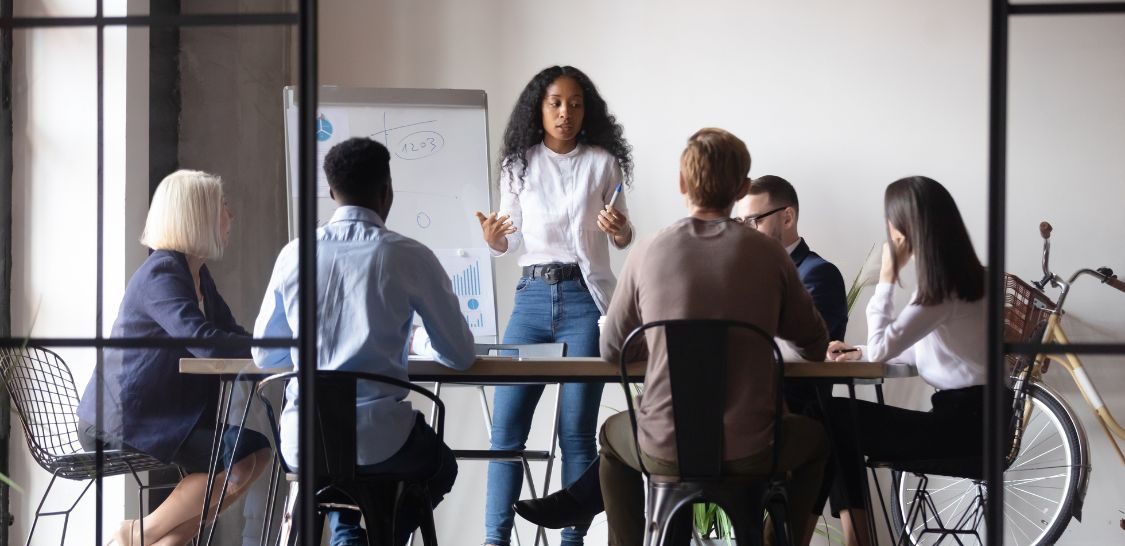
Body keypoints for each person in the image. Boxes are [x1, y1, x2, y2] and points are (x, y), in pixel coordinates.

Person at [513, 174, 849, 535]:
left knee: (646, 429)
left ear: (787, 217)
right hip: (723, 415)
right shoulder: (746, 264)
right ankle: (584, 503)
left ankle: (581, 502)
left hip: (768, 414)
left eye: (755, 221)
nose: (746, 230)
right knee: (680, 422)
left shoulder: (816, 273)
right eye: (742, 220)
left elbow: (809, 350)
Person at [598, 128, 830, 546]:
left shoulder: (647, 251)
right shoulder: (771, 255)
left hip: (664, 449)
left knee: (612, 443)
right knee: (817, 442)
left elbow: (611, 348)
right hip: (754, 449)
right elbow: (815, 345)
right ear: (742, 189)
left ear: (682, 184)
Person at [253, 137, 475, 546]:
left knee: (341, 472)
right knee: (440, 466)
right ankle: (383, 535)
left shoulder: (293, 255)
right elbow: (460, 354)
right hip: (382, 441)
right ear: (386, 189)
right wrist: (418, 342)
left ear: (332, 192)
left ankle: (349, 532)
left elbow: (265, 353)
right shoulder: (409, 256)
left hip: (304, 441)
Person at [474, 65, 634, 546]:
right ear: (539, 108)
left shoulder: (604, 163)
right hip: (533, 298)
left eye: (575, 104)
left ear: (587, 112)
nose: (565, 113)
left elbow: (624, 233)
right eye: (555, 103)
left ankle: (572, 541)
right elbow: (511, 236)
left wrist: (621, 232)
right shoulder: (517, 165)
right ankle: (494, 540)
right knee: (506, 433)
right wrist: (494, 241)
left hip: (586, 300)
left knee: (577, 434)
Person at [76, 170, 273, 546]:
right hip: (125, 419)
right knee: (244, 455)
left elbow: (229, 333)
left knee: (249, 455)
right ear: (197, 216)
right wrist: (271, 349)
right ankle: (134, 533)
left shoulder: (197, 275)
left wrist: (277, 345)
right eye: (222, 207)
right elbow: (204, 341)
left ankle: (147, 539)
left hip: (161, 417)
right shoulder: (162, 273)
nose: (230, 216)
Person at [824, 176, 1004, 546]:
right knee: (837, 420)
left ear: (905, 229)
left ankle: (854, 540)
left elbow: (885, 347)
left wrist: (887, 280)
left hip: (961, 429)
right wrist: (859, 352)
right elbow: (916, 346)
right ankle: (856, 539)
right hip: (982, 425)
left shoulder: (939, 291)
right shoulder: (971, 281)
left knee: (834, 417)